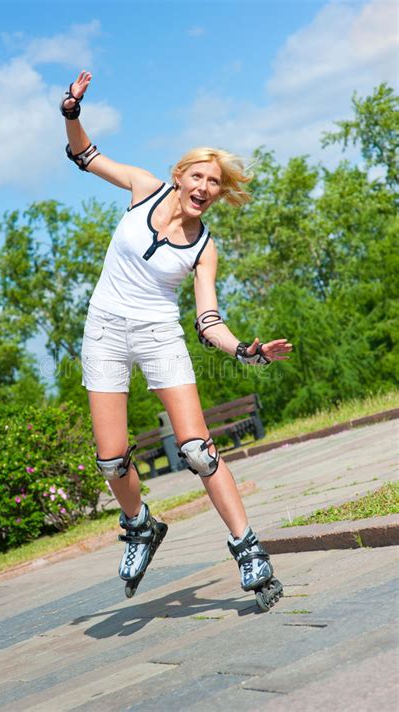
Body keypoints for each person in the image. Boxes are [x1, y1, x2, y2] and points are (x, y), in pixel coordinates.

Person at [60, 71, 292, 607]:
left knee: (197, 450)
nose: (206, 189)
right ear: (179, 174)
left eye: (215, 184)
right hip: (104, 330)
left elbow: (207, 321)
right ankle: (140, 524)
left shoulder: (203, 248)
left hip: (159, 333)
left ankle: (249, 548)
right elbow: (86, 156)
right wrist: (71, 113)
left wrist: (246, 351)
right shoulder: (144, 188)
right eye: (200, 177)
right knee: (110, 459)